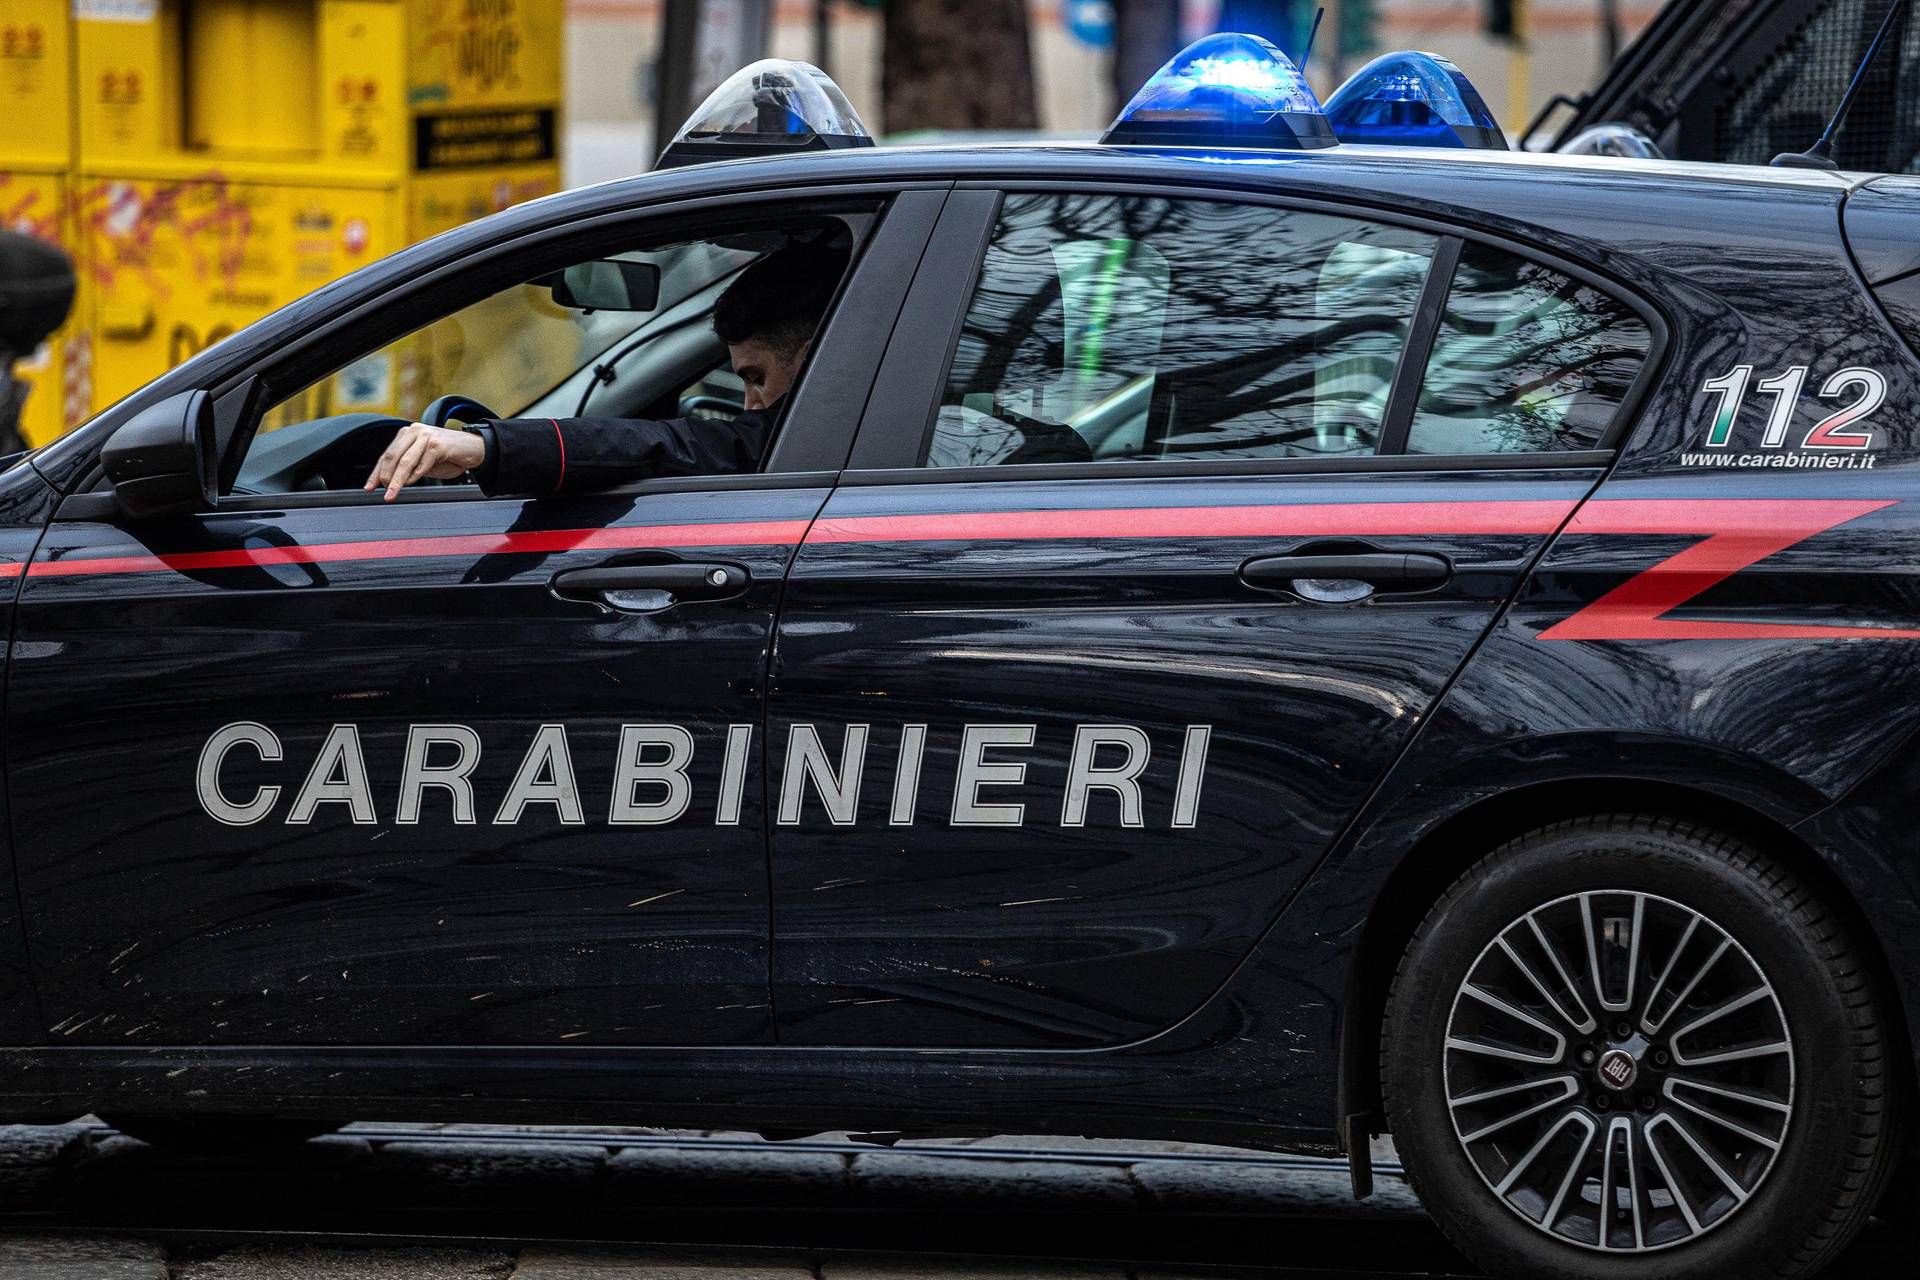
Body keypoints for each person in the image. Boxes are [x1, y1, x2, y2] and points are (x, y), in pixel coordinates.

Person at [365, 241, 848, 500]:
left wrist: (485, 446)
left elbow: (665, 445)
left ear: (811, 358)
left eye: (756, 378)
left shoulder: (822, 440)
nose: (749, 406)